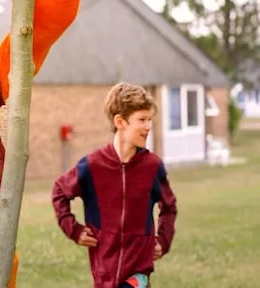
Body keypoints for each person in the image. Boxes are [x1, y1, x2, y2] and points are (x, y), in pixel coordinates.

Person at [51, 82, 178, 288]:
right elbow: (59, 190)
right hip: (103, 273)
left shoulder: (152, 166)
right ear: (120, 121)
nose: (148, 126)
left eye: (149, 120)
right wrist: (73, 229)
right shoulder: (92, 166)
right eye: (142, 120)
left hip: (138, 274)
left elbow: (169, 206)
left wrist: (163, 241)